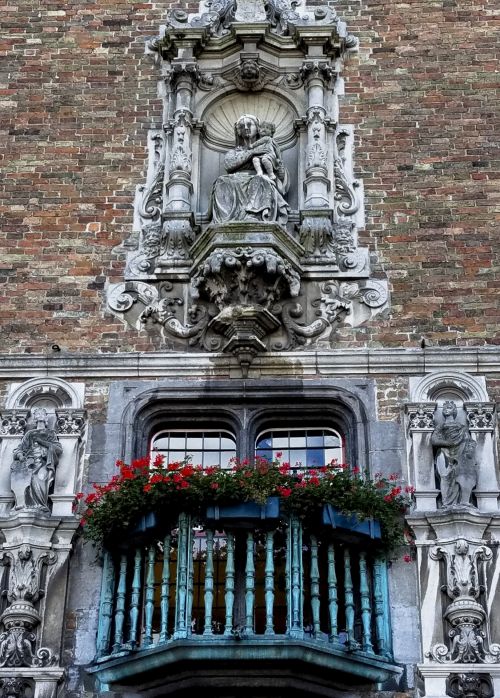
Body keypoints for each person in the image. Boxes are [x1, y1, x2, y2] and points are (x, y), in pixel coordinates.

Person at [209, 114, 289, 225]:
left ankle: (253, 215)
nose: (246, 127)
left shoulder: (268, 146)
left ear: (258, 129)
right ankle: (225, 220)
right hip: (236, 179)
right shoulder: (234, 152)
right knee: (221, 181)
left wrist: (280, 171)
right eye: (242, 126)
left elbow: (277, 166)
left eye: (249, 125)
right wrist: (252, 152)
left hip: (259, 178)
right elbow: (229, 165)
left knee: (262, 180)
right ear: (238, 132)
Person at [431, 400, 478, 507]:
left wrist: (469, 451)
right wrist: (448, 443)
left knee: (460, 474)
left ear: (454, 411)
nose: (446, 409)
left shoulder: (461, 427)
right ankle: (447, 502)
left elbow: (469, 441)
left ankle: (463, 501)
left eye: (449, 407)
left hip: (460, 452)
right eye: (445, 408)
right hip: (444, 452)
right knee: (445, 475)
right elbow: (433, 440)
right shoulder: (441, 426)